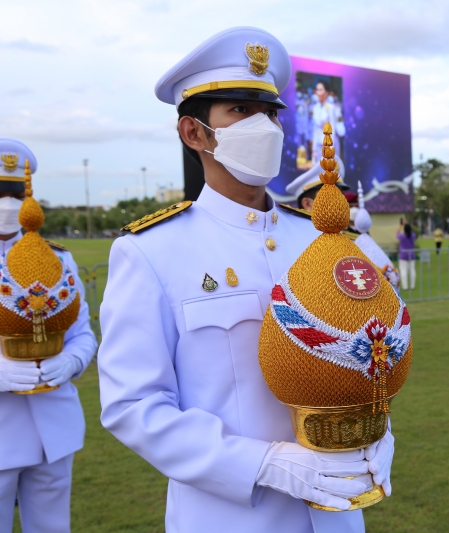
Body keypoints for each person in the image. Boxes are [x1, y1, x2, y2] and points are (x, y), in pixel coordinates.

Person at [97, 28, 392, 533]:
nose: (265, 126)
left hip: (337, 511)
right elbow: (134, 405)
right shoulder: (151, 251)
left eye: (271, 112)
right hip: (232, 515)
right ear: (195, 134)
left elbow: (366, 353)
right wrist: (261, 464)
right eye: (240, 110)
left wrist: (379, 432)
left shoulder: (320, 239)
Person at [0, 138, 98, 533]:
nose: (7, 204)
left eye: (14, 193)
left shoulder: (59, 259)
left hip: (55, 429)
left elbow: (83, 334)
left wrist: (71, 361)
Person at [311, 81, 345, 163]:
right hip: (319, 144)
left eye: (320, 90)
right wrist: (314, 149)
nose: (318, 93)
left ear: (326, 92)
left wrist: (330, 148)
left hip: (329, 145)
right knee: (319, 172)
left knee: (330, 172)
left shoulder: (331, 107)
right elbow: (315, 129)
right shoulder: (315, 107)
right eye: (317, 90)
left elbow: (332, 128)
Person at [397, 223, 416, 291]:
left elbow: (397, 234)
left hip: (403, 255)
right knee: (412, 270)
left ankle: (405, 286)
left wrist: (400, 226)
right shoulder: (413, 235)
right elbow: (412, 231)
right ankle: (412, 285)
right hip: (411, 254)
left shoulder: (402, 236)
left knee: (403, 270)